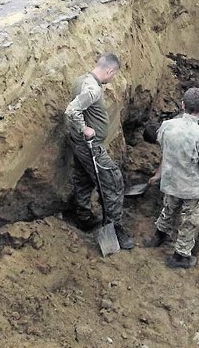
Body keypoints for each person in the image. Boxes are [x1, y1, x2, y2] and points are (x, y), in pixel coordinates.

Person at [64, 53, 135, 250]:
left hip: (79, 145)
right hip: (90, 146)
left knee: (83, 180)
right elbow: (72, 110)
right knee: (113, 183)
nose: (112, 78)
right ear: (109, 70)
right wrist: (84, 128)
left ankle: (84, 217)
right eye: (113, 75)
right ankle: (115, 228)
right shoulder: (93, 89)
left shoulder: (82, 79)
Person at [146, 88, 199, 269]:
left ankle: (160, 235)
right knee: (190, 221)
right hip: (193, 188)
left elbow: (165, 149)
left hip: (171, 181)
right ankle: (181, 256)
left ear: (183, 105)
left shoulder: (166, 126)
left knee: (168, 208)